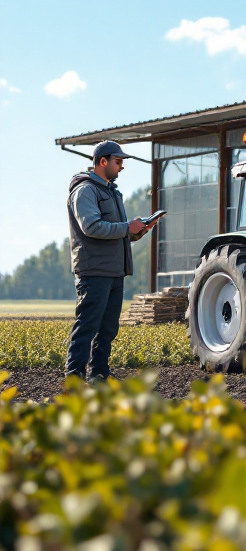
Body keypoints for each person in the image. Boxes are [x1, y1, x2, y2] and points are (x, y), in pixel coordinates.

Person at [65, 140, 159, 381]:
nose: (122, 167)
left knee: (107, 329)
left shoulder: (111, 192)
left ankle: (99, 374)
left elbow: (116, 233)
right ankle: (73, 377)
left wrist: (138, 231)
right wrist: (128, 227)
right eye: (118, 161)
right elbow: (92, 227)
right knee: (87, 326)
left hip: (114, 271)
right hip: (94, 270)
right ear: (102, 161)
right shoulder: (85, 191)